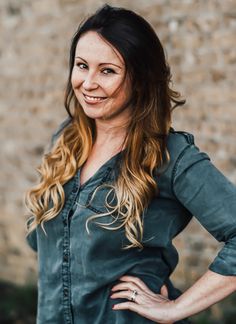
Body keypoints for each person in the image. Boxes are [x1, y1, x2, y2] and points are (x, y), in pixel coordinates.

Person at [25, 4, 236, 324]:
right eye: (82, 66)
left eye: (107, 70)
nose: (88, 83)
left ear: (140, 79)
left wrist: (175, 309)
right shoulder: (66, 141)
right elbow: (49, 242)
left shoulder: (171, 157)